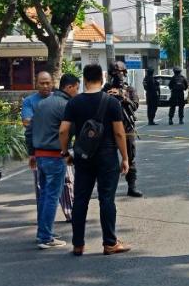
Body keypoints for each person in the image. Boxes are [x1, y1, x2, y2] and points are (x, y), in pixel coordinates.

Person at [59, 64, 131, 256]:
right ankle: (109, 243)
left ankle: (78, 244)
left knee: (81, 199)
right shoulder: (112, 102)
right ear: (102, 78)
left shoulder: (74, 103)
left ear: (84, 79)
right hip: (107, 157)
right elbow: (119, 132)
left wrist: (65, 153)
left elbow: (63, 130)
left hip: (83, 156)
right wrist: (125, 158)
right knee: (107, 199)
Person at [29, 74, 80, 249]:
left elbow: (29, 130)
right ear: (70, 87)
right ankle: (45, 237)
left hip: (40, 155)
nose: (77, 92)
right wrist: (67, 153)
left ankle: (43, 231)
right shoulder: (66, 106)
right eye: (77, 88)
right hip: (54, 155)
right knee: (52, 196)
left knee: (44, 195)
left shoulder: (42, 103)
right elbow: (69, 131)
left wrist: (32, 153)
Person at [23, 71, 74, 222]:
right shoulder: (30, 101)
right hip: (41, 151)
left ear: (53, 83)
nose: (45, 86)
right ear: (36, 83)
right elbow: (27, 123)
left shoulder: (57, 100)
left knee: (68, 183)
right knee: (42, 190)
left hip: (61, 150)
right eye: (41, 83)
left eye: (48, 82)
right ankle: (43, 223)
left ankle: (71, 214)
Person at [102, 62, 142, 197]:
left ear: (124, 73)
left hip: (127, 127)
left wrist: (124, 97)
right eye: (114, 73)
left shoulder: (130, 89)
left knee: (131, 158)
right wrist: (108, 96)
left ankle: (132, 187)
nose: (117, 76)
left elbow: (135, 106)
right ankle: (108, 188)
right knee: (108, 159)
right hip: (109, 128)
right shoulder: (106, 89)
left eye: (119, 73)